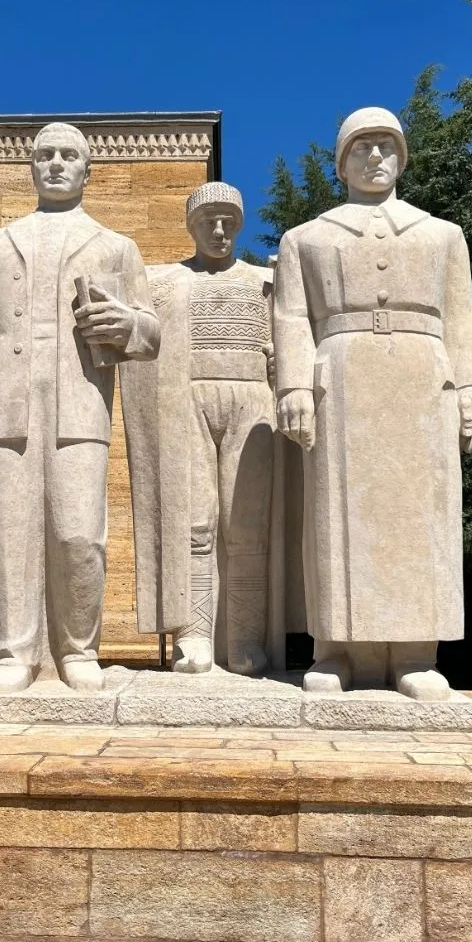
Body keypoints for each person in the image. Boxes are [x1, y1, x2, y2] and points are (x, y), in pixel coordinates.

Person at [273, 107, 472, 699]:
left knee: (422, 516)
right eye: (362, 146)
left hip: (423, 377)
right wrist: (293, 387)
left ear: (401, 156)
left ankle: (416, 654)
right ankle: (337, 650)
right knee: (335, 513)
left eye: (386, 146)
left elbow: (462, 314)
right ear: (342, 160)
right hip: (339, 378)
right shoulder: (306, 238)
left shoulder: (441, 234)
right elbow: (290, 317)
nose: (375, 157)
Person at [0, 122, 160, 694]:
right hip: (7, 402)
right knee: (10, 530)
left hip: (80, 401)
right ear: (32, 167)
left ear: (88, 171)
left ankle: (78, 650)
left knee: (78, 531)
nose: (57, 163)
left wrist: (129, 325)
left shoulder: (116, 246)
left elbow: (151, 331)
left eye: (70, 155)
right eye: (46, 155)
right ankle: (13, 653)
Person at [122, 182, 285, 675]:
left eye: (228, 222)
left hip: (253, 401)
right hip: (186, 400)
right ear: (191, 225)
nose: (219, 230)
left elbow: (286, 348)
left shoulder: (266, 282)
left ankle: (245, 640)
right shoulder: (164, 281)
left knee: (246, 525)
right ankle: (193, 637)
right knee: (195, 523)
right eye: (208, 221)